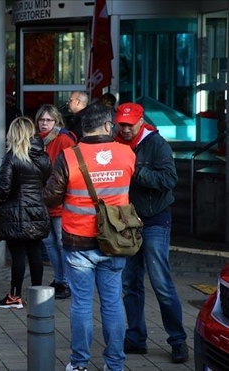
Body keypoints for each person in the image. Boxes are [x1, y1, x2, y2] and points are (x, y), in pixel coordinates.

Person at [43, 104, 135, 371]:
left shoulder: (69, 157)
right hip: (115, 240)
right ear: (108, 126)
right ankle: (115, 364)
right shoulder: (127, 154)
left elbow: (50, 197)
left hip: (79, 242)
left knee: (82, 304)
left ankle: (80, 363)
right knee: (112, 302)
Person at [115, 102, 188, 364]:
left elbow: (169, 181)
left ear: (141, 121)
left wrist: (135, 170)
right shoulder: (117, 142)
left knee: (161, 283)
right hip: (126, 222)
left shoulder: (156, 144)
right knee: (130, 283)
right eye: (120, 124)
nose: (124, 129)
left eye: (129, 125)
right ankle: (135, 338)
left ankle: (178, 340)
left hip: (155, 219)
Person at [0, 117, 51, 310]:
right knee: (35, 253)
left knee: (18, 255)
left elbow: (4, 187)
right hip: (37, 209)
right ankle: (37, 295)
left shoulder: (12, 157)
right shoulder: (43, 157)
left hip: (15, 212)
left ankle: (14, 296)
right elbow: (47, 181)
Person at [35, 104, 76, 300]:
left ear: (57, 121)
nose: (44, 123)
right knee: (49, 243)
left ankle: (67, 282)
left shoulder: (64, 140)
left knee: (61, 243)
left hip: (59, 201)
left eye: (48, 120)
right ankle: (59, 279)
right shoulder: (35, 140)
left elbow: (71, 169)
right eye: (41, 120)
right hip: (42, 199)